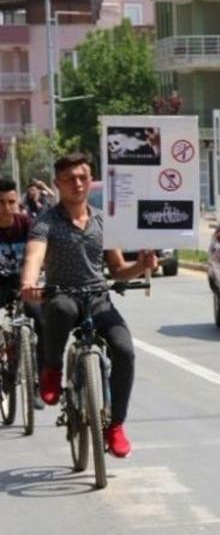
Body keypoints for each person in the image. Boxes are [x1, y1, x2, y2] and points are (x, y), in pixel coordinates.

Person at [20, 152, 158, 458]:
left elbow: (119, 269)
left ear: (91, 179)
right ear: (57, 184)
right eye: (69, 179)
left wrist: (142, 264)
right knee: (62, 310)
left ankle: (116, 426)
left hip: (98, 297)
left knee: (123, 350)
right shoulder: (46, 222)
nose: (77, 184)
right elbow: (34, 256)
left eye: (83, 177)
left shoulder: (102, 220)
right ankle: (52, 369)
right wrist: (30, 282)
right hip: (62, 294)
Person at [0, 178, 46, 409]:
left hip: (24, 285)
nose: (7, 208)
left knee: (42, 320)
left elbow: (43, 250)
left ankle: (37, 383)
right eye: (1, 203)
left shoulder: (26, 224)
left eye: (11, 202)